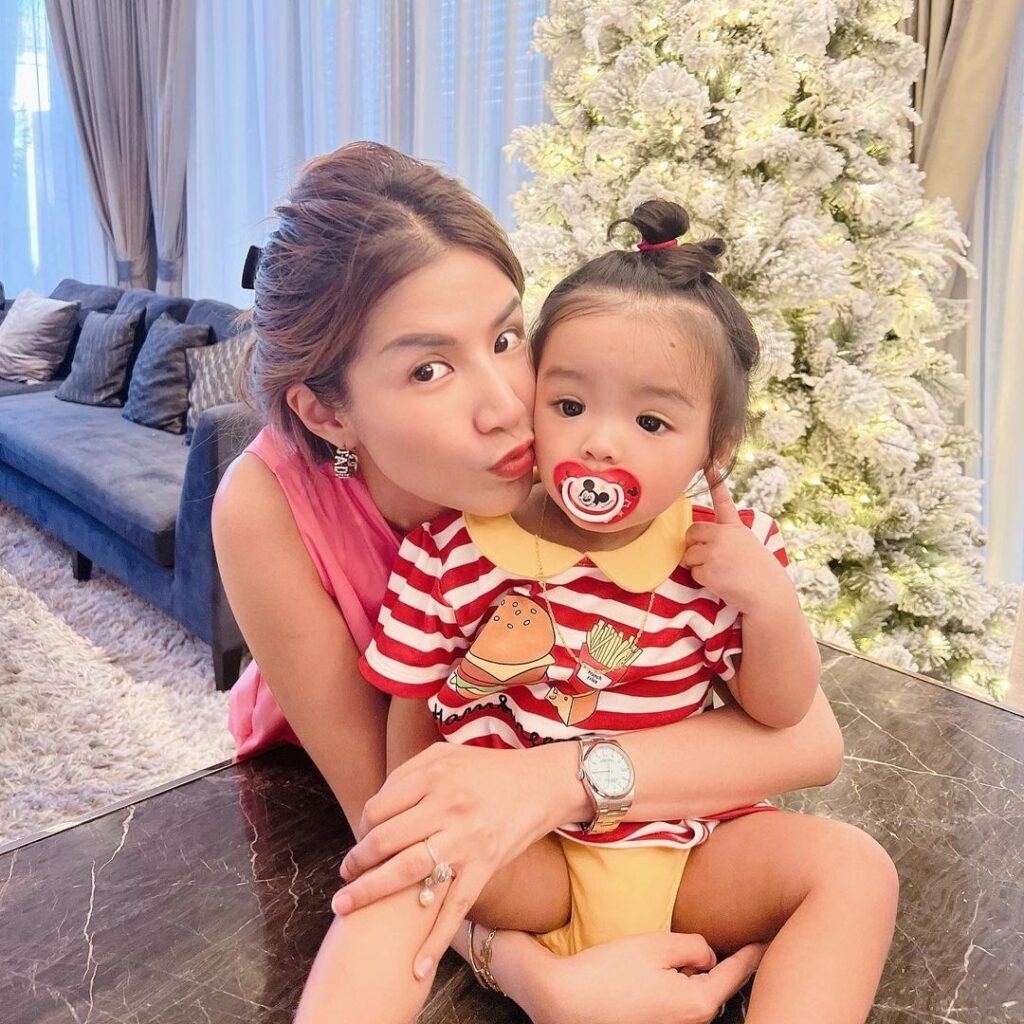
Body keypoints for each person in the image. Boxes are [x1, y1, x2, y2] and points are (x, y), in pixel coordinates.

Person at [213, 141, 849, 1024]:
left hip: (602, 797)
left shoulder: (578, 450)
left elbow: (805, 740)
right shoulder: (267, 509)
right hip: (362, 796)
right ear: (327, 412)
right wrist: (526, 973)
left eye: (507, 338)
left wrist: (555, 780)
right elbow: (389, 817)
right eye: (429, 368)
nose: (509, 405)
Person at [340, 199, 898, 1023]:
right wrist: (424, 824)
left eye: (650, 421)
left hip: (695, 850)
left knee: (855, 869)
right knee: (401, 866)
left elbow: (782, 712)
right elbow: (411, 730)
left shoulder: (725, 557)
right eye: (569, 407)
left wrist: (769, 602)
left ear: (714, 450)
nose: (600, 442)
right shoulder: (450, 554)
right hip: (532, 863)